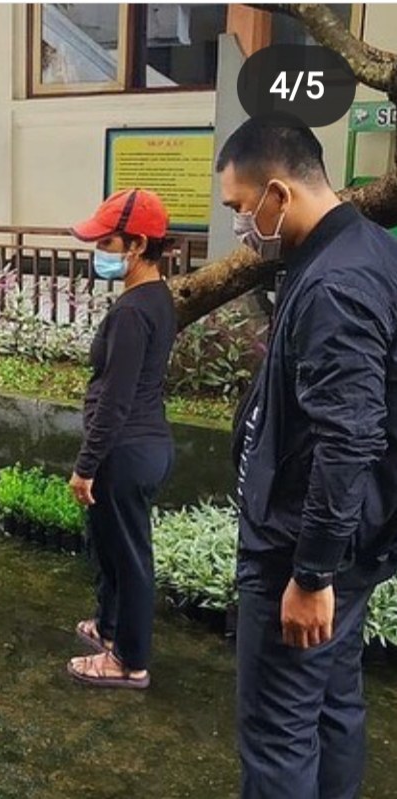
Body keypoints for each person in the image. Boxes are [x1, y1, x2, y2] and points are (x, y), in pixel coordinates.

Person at [220, 117, 397, 799]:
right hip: (346, 542)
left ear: (277, 193)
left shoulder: (334, 284)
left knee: (278, 731)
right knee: (330, 702)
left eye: (240, 207)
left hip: (301, 550)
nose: (241, 225)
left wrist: (312, 572)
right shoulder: (359, 249)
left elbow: (347, 435)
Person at [65, 188, 177, 690]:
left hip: (125, 451)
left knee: (130, 558)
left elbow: (116, 399)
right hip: (140, 446)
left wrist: (86, 466)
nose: (100, 252)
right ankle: (108, 628)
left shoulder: (133, 312)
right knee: (111, 547)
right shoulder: (156, 298)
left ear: (137, 245)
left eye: (107, 242)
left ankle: (129, 661)